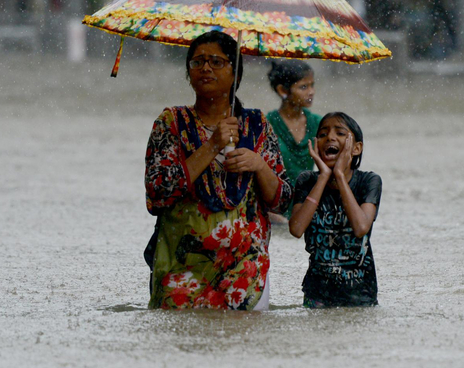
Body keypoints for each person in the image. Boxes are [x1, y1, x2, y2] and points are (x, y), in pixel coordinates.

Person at [144, 31, 291, 310]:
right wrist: (212, 145)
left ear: (235, 73)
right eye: (197, 62)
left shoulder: (257, 125)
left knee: (240, 346)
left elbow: (282, 200)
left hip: (245, 266)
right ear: (188, 73)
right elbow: (157, 194)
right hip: (182, 264)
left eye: (216, 61)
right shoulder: (171, 122)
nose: (205, 68)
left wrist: (259, 165)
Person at [288, 112, 382, 308]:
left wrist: (339, 175)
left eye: (339, 133)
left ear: (356, 148)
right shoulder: (307, 180)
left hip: (360, 295)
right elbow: (296, 229)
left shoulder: (368, 181)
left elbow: (361, 227)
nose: (329, 137)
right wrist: (323, 177)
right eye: (322, 134)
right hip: (316, 295)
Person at [265, 60, 321, 220]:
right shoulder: (266, 125)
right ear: (283, 90)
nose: (311, 92)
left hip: (306, 207)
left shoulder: (318, 124)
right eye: (304, 87)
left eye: (312, 85)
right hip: (274, 211)